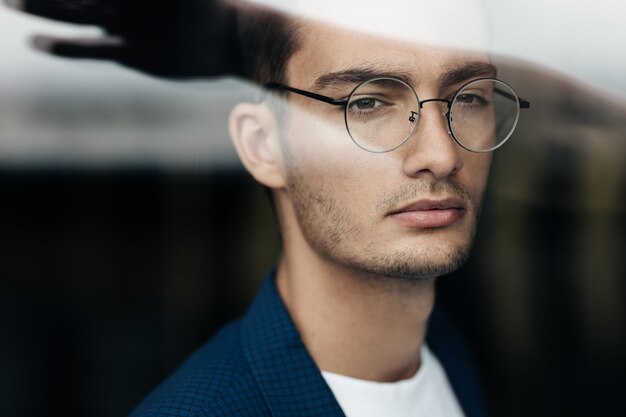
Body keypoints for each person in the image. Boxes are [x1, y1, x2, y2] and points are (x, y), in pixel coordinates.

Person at [7, 1, 529, 416]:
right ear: (264, 145)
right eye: (366, 104)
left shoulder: (446, 353)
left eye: (468, 97)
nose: (441, 154)